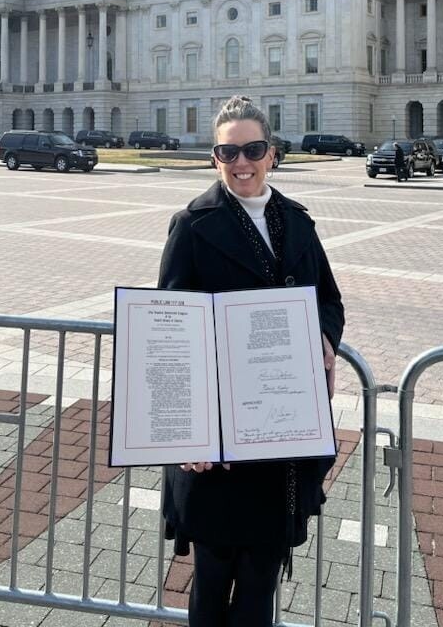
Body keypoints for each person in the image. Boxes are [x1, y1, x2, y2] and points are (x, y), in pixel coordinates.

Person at [157, 96, 345, 627]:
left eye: (253, 149)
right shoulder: (192, 225)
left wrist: (326, 337)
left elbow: (329, 299)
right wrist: (186, 432)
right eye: (228, 151)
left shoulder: (297, 222)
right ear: (215, 158)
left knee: (262, 580)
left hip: (280, 433)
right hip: (217, 441)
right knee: (212, 583)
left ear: (272, 154)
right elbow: (171, 334)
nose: (242, 162)